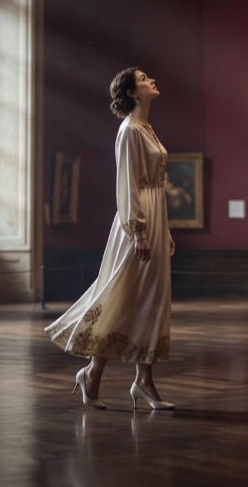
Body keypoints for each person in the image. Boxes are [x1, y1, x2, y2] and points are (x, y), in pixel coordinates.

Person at [46, 67, 176, 411]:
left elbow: (154, 186)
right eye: (145, 78)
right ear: (133, 92)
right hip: (137, 224)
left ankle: (142, 381)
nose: (152, 80)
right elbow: (128, 183)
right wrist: (139, 231)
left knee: (150, 300)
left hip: (154, 221)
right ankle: (92, 372)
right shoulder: (130, 130)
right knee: (121, 295)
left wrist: (164, 231)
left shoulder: (147, 128)